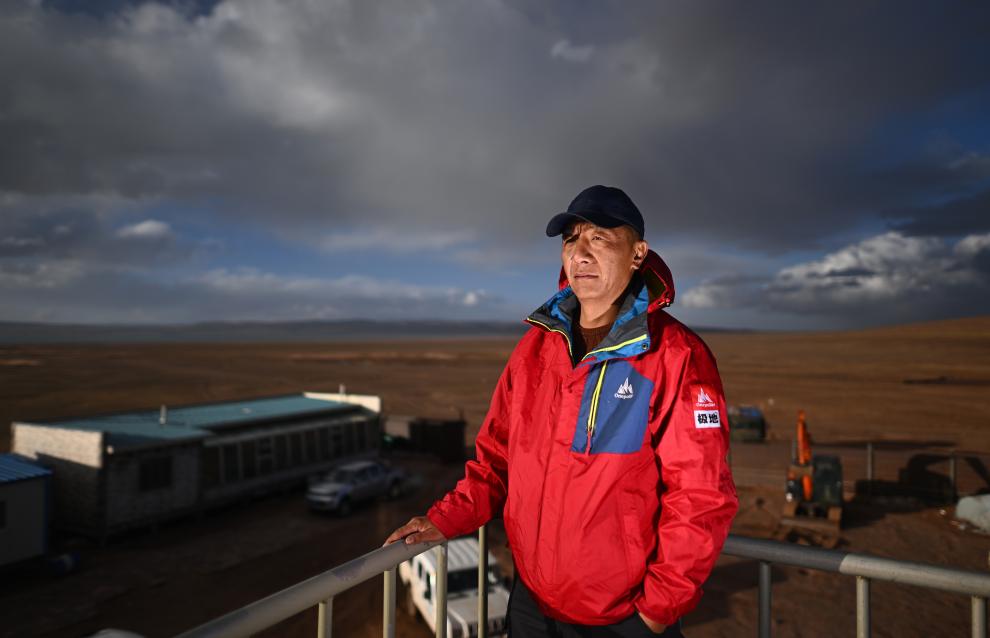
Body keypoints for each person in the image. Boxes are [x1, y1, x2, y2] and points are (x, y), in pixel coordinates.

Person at [385, 185, 738, 636]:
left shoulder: (676, 355)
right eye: (572, 239)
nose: (580, 253)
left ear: (637, 254)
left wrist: (656, 610)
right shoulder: (535, 349)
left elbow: (701, 496)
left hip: (620, 618)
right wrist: (444, 519)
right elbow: (496, 459)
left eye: (600, 238)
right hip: (532, 604)